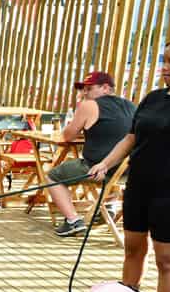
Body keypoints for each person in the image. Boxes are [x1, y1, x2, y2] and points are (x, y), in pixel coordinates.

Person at [90, 38, 170, 292]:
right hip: (139, 186)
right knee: (132, 250)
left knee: (167, 260)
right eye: (164, 61)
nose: (165, 68)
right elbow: (131, 138)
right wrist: (105, 163)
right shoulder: (153, 98)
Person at [47, 72, 135, 236]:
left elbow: (67, 136)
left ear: (106, 88)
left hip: (98, 169)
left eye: (89, 89)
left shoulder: (89, 105)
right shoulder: (130, 105)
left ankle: (73, 221)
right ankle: (109, 206)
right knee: (112, 171)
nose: (84, 93)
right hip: (129, 171)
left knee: (53, 176)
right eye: (83, 89)